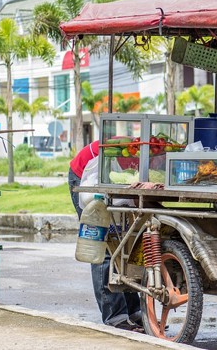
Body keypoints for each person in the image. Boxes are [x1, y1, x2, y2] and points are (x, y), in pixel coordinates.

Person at [68, 140, 143, 332]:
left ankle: (134, 312)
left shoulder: (152, 158)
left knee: (126, 244)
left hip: (114, 185)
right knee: (103, 245)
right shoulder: (121, 152)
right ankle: (115, 316)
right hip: (86, 179)